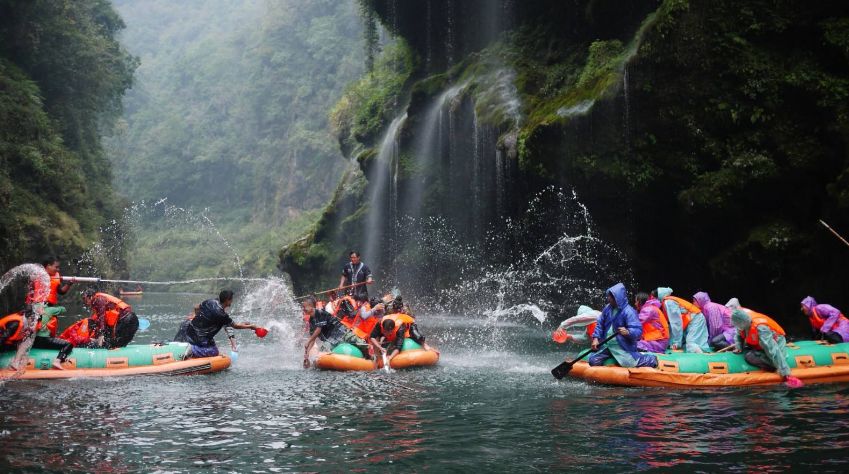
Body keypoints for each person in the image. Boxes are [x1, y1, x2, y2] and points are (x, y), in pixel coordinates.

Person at [588, 283, 658, 368]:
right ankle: (612, 356)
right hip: (608, 346)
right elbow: (600, 323)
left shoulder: (629, 311)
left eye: (611, 296)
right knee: (593, 360)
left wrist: (628, 332)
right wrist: (596, 338)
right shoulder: (608, 308)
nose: (608, 298)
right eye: (609, 296)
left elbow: (638, 331)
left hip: (623, 346)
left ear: (617, 297)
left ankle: (650, 359)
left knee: (629, 364)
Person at [732, 309, 803, 388]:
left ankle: (773, 366)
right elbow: (738, 334)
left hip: (776, 342)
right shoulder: (741, 323)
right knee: (748, 351)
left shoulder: (761, 329)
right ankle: (761, 355)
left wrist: (785, 373)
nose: (737, 327)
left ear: (743, 322)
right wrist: (739, 347)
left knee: (750, 356)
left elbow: (772, 350)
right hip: (758, 345)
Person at [183, 290, 261, 358]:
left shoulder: (210, 301)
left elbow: (197, 307)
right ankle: (192, 350)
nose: (232, 301)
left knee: (211, 343)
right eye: (231, 300)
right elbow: (235, 326)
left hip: (190, 330)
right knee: (214, 351)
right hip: (199, 338)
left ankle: (191, 346)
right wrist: (251, 326)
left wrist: (197, 317)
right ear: (227, 300)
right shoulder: (222, 315)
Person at [302, 296, 366, 368]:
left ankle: (372, 358)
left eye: (304, 307)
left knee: (361, 343)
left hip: (342, 333)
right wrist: (307, 355)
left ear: (311, 306)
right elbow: (313, 339)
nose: (303, 309)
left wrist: (308, 341)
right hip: (330, 340)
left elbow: (318, 330)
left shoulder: (320, 313)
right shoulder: (311, 320)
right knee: (321, 355)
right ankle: (312, 366)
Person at [657, 287, 710, 353]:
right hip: (690, 321)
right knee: (687, 344)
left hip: (696, 319)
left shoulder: (668, 302)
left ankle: (702, 357)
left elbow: (676, 323)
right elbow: (671, 326)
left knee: (691, 342)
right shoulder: (666, 302)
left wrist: (676, 342)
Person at [368, 313, 435, 363]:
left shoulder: (400, 329)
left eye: (387, 332)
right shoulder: (380, 324)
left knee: (416, 336)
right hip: (391, 322)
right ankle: (377, 357)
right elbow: (372, 337)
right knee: (380, 340)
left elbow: (398, 347)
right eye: (384, 331)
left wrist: (390, 357)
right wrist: (380, 347)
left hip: (409, 325)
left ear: (392, 330)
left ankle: (425, 345)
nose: (385, 333)